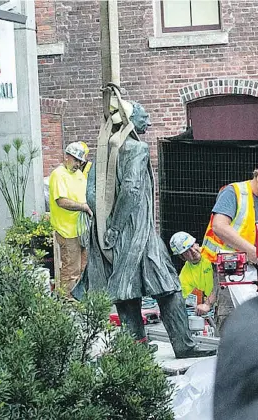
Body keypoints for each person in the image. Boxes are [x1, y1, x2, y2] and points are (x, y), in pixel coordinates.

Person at [73, 88, 214, 359]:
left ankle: (136, 349)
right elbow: (132, 189)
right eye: (144, 117)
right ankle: (183, 346)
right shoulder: (136, 148)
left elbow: (91, 195)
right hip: (138, 235)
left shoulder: (101, 153)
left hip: (109, 239)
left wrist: (107, 229)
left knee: (126, 291)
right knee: (168, 288)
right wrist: (117, 227)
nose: (148, 123)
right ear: (129, 120)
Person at [201, 155, 258, 331]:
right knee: (231, 317)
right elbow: (219, 225)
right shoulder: (234, 192)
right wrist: (249, 249)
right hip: (231, 267)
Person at [49, 141, 93, 296]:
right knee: (71, 270)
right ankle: (67, 302)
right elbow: (61, 201)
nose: (78, 164)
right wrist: (84, 207)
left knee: (82, 268)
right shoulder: (59, 174)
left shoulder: (79, 175)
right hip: (67, 231)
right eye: (76, 160)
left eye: (80, 161)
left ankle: (78, 300)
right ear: (66, 156)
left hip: (81, 230)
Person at [170, 231, 216, 316]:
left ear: (197, 244)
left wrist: (207, 304)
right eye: (187, 251)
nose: (193, 251)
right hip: (210, 309)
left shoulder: (213, 256)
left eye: (192, 246)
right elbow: (183, 296)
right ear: (182, 257)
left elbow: (222, 285)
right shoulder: (186, 272)